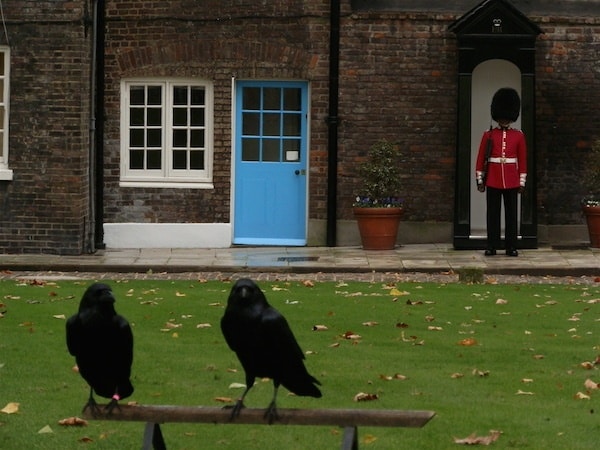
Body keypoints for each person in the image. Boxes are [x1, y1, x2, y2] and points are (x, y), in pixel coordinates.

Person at [475, 87, 527, 257]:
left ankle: (511, 245)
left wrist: (521, 181)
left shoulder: (518, 136)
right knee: (493, 214)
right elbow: (481, 158)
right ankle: (492, 245)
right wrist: (480, 179)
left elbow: (523, 160)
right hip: (493, 178)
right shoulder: (488, 135)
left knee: (511, 215)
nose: (504, 120)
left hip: (511, 179)